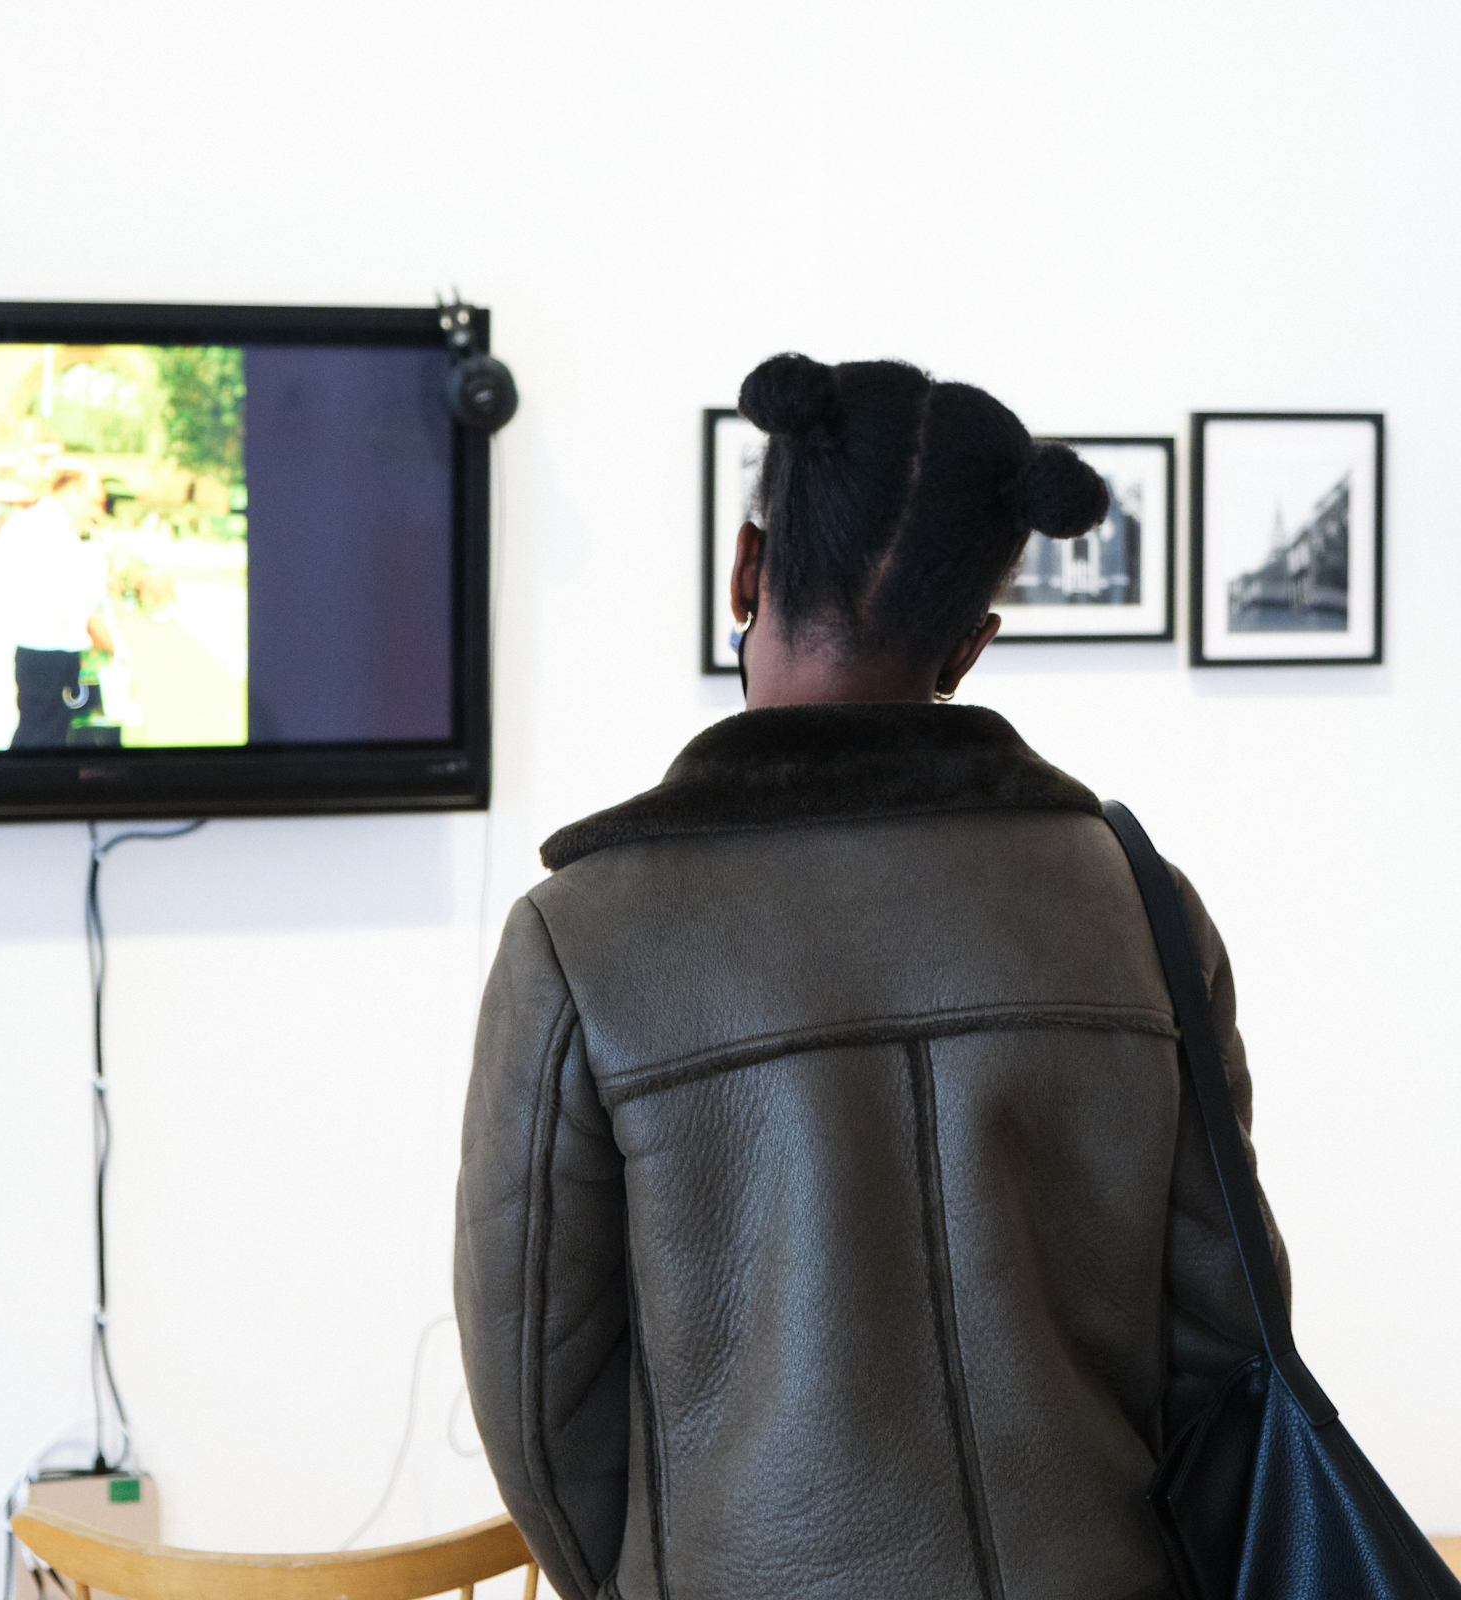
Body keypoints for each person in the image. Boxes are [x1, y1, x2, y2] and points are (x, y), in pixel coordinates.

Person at [455, 355, 1288, 1600]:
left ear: (748, 568)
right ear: (972, 639)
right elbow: (1230, 1337)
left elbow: (539, 1404)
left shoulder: (581, 937)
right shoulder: (1140, 908)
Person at [0, 468, 116, 748]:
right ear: (73, 495)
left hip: (32, 651)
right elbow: (81, 605)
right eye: (93, 502)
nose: (96, 513)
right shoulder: (56, 536)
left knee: (35, 732)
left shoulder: (24, 525)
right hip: (53, 655)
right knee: (45, 740)